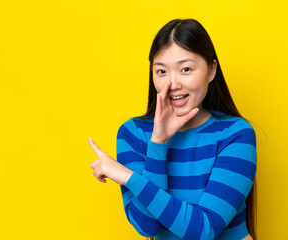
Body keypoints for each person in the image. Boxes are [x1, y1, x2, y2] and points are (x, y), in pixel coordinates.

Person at [89, 19, 257, 240]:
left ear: (211, 70)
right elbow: (146, 227)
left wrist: (127, 176)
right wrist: (158, 142)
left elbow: (204, 230)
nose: (173, 83)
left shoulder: (236, 134)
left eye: (186, 69)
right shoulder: (134, 133)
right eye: (161, 72)